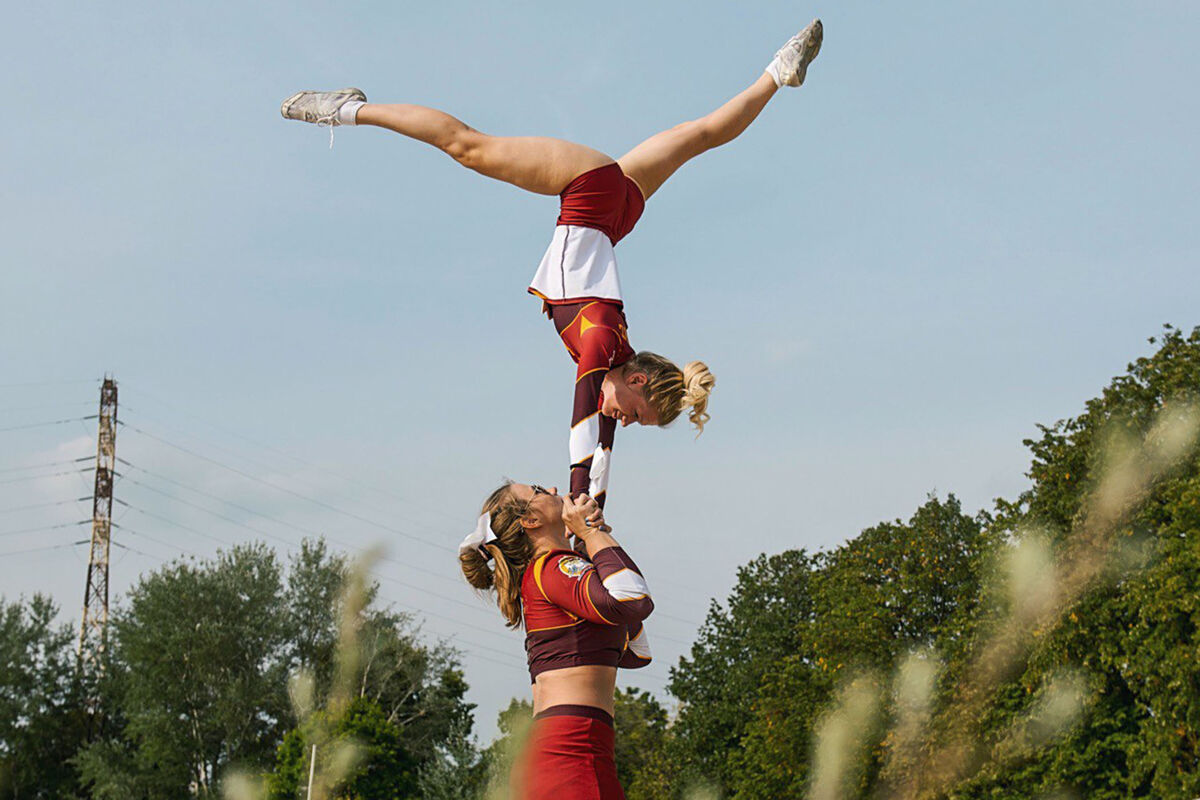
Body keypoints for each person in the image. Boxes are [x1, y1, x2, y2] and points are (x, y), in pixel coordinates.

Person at [282, 20, 822, 508]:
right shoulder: (601, 344)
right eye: (636, 414)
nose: (625, 423)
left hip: (617, 215)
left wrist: (594, 508)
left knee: (700, 135)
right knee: (467, 146)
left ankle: (777, 73)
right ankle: (348, 110)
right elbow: (585, 416)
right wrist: (579, 494)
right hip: (589, 193)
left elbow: (601, 434)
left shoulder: (615, 354)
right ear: (637, 379)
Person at [459, 480, 653, 799]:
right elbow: (633, 600)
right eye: (537, 490)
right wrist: (591, 535)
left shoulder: (554, 572)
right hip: (572, 752)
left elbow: (636, 651)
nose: (552, 489)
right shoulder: (554, 568)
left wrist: (596, 548)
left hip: (574, 751)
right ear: (530, 520)